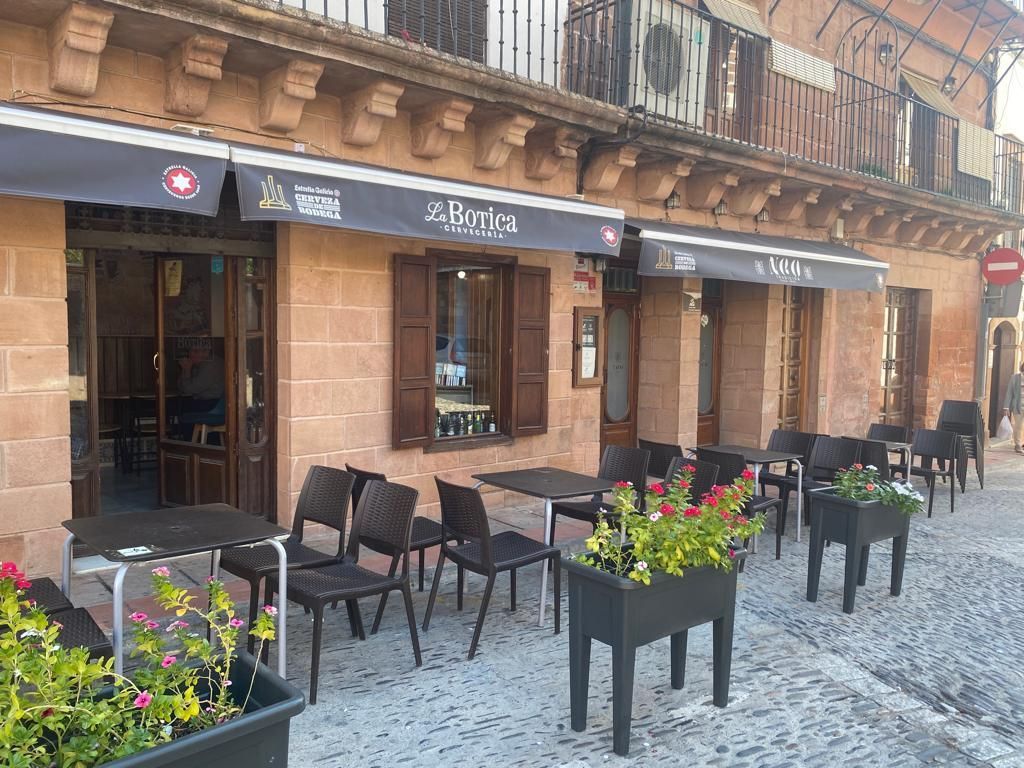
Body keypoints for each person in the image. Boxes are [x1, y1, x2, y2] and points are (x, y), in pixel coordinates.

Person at [177, 345, 225, 411]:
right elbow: (181, 387)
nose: (191, 355)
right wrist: (185, 369)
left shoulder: (210, 365)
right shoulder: (199, 364)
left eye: (195, 351)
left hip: (213, 405)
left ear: (206, 352)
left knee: (172, 406)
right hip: (209, 403)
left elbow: (188, 390)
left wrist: (187, 369)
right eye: (189, 351)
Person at [1002, 361, 1024, 453]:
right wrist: (1006, 407)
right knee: (1018, 426)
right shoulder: (1015, 378)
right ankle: (1017, 445)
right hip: (1018, 406)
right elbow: (1009, 392)